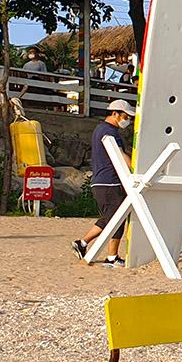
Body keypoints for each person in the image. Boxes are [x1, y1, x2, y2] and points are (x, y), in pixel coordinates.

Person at [71, 100, 136, 268]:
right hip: (109, 182)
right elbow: (120, 155)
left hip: (103, 182)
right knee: (117, 219)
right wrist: (135, 170)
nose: (127, 120)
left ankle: (82, 243)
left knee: (111, 217)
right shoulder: (108, 132)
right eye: (126, 116)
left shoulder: (104, 130)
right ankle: (112, 257)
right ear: (115, 114)